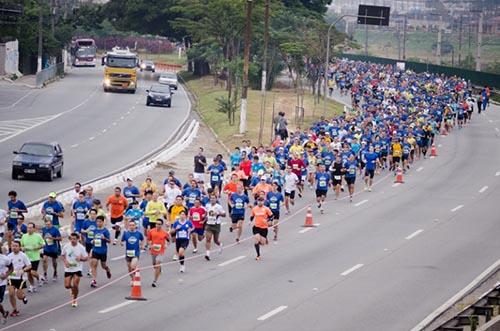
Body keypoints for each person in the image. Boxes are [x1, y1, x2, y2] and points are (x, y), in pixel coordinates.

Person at [61, 233, 88, 307]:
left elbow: (86, 258)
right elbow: (62, 255)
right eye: (71, 239)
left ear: (78, 239)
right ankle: (73, 290)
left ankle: (74, 300)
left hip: (77, 268)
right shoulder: (66, 246)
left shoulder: (81, 247)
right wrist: (65, 261)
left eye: (74, 239)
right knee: (67, 285)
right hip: (68, 268)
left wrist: (81, 259)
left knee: (75, 284)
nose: (72, 240)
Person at [7, 240, 30, 317]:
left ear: (19, 247)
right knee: (11, 293)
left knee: (19, 296)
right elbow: (5, 266)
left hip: (21, 278)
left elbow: (29, 266)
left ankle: (23, 297)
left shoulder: (23, 255)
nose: (14, 247)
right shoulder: (9, 256)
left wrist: (23, 270)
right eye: (13, 246)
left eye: (16, 246)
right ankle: (15, 309)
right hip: (11, 277)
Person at [20, 222, 45, 293]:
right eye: (28, 228)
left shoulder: (37, 236)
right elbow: (21, 245)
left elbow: (43, 244)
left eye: (31, 228)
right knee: (28, 273)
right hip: (27, 257)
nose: (29, 229)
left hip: (35, 257)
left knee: (32, 272)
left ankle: (39, 277)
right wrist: (23, 248)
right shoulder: (24, 236)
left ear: (34, 229)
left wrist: (37, 247)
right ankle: (32, 286)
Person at [89, 216, 112, 288]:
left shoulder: (105, 231)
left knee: (103, 266)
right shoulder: (94, 230)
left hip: (103, 251)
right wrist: (92, 241)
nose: (98, 223)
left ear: (103, 222)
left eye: (100, 221)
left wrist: (104, 238)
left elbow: (109, 241)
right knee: (94, 264)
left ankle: (107, 270)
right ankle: (94, 280)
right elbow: (92, 239)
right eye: (97, 221)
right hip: (95, 250)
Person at [147, 219, 169, 287]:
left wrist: (166, 244)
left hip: (161, 251)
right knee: (154, 264)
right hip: (153, 251)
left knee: (157, 265)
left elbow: (169, 240)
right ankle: (159, 269)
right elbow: (148, 240)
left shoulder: (164, 233)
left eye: (159, 224)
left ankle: (155, 281)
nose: (158, 225)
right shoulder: (151, 231)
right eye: (156, 224)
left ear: (161, 225)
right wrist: (150, 245)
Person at [204, 194, 225, 261]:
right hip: (209, 224)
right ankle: (207, 254)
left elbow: (224, 214)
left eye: (214, 198)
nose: (212, 199)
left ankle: (220, 244)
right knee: (208, 238)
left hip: (216, 225)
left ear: (216, 199)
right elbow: (205, 213)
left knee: (215, 240)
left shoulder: (219, 207)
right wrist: (204, 217)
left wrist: (218, 214)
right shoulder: (207, 205)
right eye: (211, 198)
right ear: (209, 199)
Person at [41, 218, 61, 283]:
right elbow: (43, 237)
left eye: (49, 224)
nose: (48, 226)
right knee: (44, 260)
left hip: (54, 248)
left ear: (51, 224)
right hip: (46, 248)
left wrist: (52, 238)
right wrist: (43, 239)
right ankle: (45, 274)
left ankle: (55, 272)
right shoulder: (44, 229)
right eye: (46, 224)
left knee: (54, 261)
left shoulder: (55, 229)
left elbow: (60, 238)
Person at [81, 209, 98, 277]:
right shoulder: (86, 222)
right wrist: (86, 231)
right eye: (91, 214)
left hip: (96, 242)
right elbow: (82, 230)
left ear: (96, 215)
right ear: (89, 214)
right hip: (88, 241)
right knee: (89, 256)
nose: (92, 215)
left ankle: (91, 270)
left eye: (94, 214)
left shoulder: (97, 222)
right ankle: (92, 267)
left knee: (92, 255)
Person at [0, 250, 13, 323]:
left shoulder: (5, 259)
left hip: (1, 284)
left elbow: (11, 268)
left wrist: (6, 275)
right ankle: (4, 313)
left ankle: (4, 313)